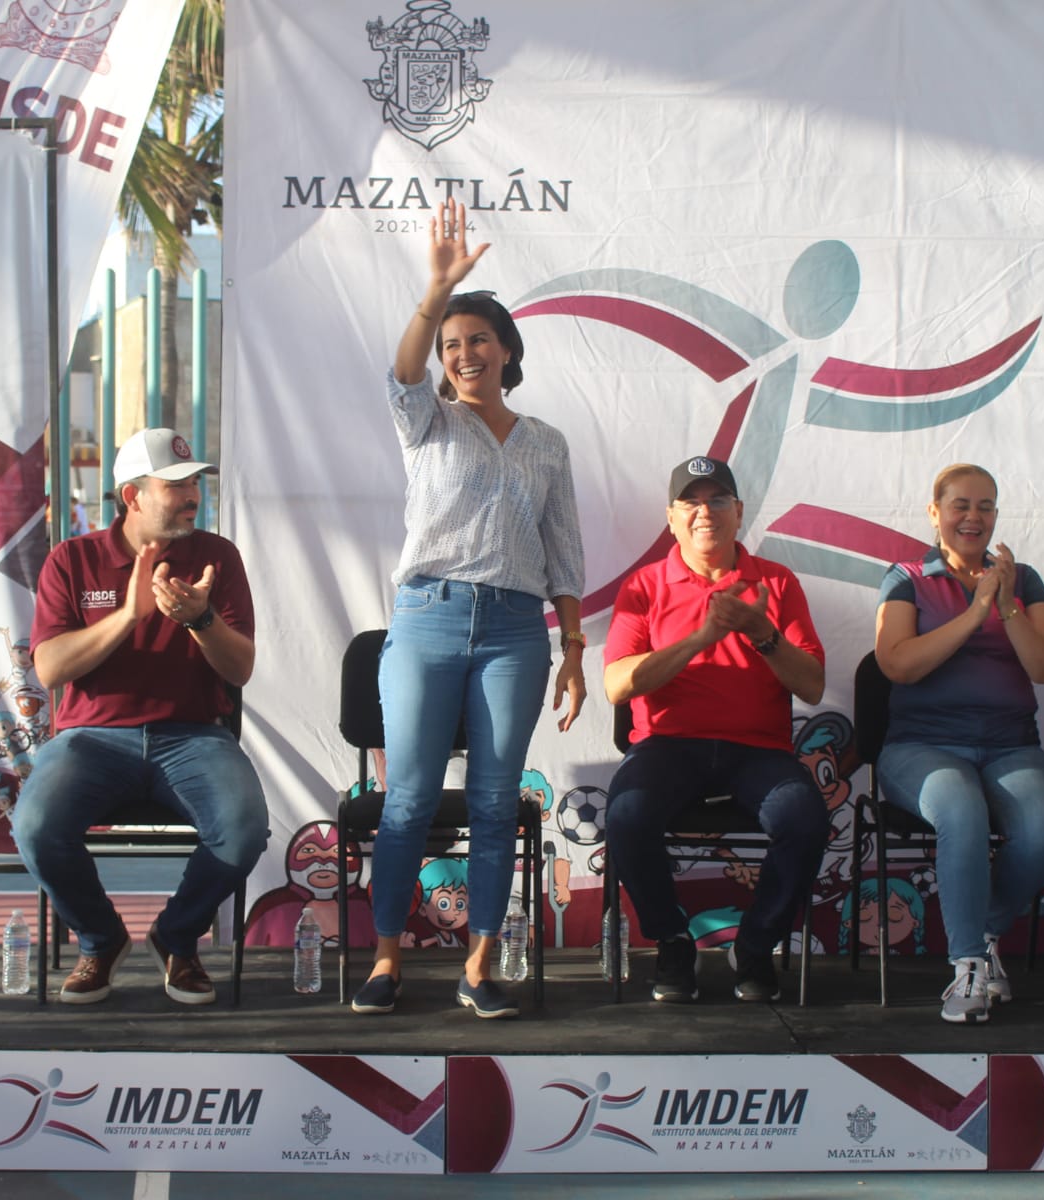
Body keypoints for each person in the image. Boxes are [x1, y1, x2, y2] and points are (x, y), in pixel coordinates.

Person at [354, 197, 586, 1020]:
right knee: (409, 800)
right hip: (429, 619)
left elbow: (564, 554)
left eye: (478, 340)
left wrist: (574, 651)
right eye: (452, 344)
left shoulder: (547, 442)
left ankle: (480, 967)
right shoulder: (426, 423)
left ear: (507, 350)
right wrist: (437, 290)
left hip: (517, 632)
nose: (463, 354)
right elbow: (401, 372)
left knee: (494, 803)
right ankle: (386, 961)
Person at [12, 427, 268, 1007]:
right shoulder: (72, 559)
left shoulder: (217, 557)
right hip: (92, 740)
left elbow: (241, 668)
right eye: (175, 485)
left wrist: (200, 620)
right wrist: (128, 615)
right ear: (132, 496)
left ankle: (176, 937)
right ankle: (100, 941)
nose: (192, 495)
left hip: (194, 737)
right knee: (36, 828)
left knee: (244, 829)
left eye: (194, 482)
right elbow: (50, 668)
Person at [604, 456, 829, 1003]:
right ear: (672, 518)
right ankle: (673, 940)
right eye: (692, 502)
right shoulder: (645, 586)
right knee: (627, 815)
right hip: (668, 747)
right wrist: (701, 638)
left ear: (739, 511)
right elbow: (616, 685)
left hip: (757, 752)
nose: (705, 512)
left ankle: (754, 946)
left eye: (718, 500)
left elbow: (812, 686)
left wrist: (762, 633)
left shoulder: (776, 582)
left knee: (804, 819)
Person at [873, 464, 1044, 1023]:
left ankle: (985, 934)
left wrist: (1004, 603)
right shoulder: (906, 577)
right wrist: (975, 611)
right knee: (960, 808)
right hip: (921, 747)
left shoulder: (1023, 580)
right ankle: (968, 967)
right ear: (935, 512)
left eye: (985, 506)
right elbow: (897, 664)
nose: (973, 517)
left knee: (1042, 828)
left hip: (1011, 746)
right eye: (960, 505)